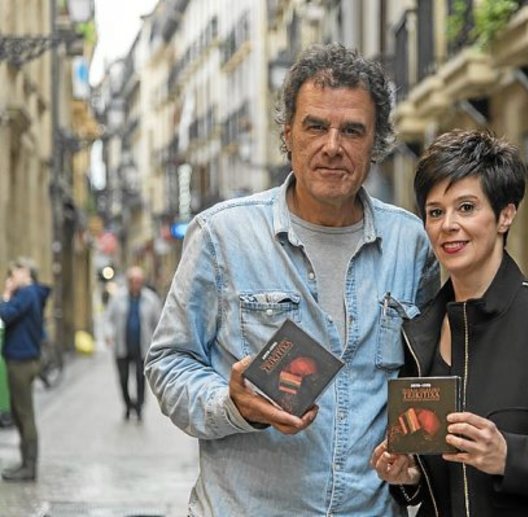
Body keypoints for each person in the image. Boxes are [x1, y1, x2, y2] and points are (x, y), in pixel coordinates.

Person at [144, 43, 440, 515]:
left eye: (352, 130)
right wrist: (231, 405)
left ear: (376, 142)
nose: (333, 146)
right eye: (315, 126)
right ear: (288, 133)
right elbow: (168, 362)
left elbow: (425, 374)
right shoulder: (222, 235)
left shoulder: (411, 244)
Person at [371, 129, 528, 516]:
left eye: (466, 207)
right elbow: (432, 479)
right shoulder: (417, 334)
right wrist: (409, 478)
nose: (448, 224)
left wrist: (510, 457)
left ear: (505, 214)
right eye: (435, 212)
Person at [0, 257, 51, 481]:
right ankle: (26, 463)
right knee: (20, 412)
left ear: (26, 273)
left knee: (24, 414)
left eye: (13, 274)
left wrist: (6, 294)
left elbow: (6, 314)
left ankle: (29, 466)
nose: (10, 279)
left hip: (21, 361)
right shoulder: (33, 294)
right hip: (25, 357)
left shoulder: (26, 294)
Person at [105, 266, 162, 421]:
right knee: (123, 379)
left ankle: (139, 408)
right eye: (133, 281)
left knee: (140, 379)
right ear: (128, 282)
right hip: (122, 346)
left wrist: (157, 343)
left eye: (139, 281)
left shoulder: (151, 299)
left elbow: (159, 323)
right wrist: (109, 335)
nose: (136, 284)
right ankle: (128, 405)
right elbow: (108, 319)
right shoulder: (117, 298)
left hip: (142, 347)